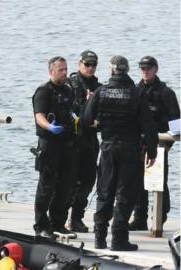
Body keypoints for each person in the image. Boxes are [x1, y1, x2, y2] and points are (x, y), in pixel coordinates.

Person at [82, 55, 158, 251]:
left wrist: (101, 124)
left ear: (112, 70)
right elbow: (149, 126)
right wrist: (152, 152)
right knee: (125, 194)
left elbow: (87, 118)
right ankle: (119, 239)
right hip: (130, 149)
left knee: (104, 192)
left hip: (107, 147)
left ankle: (99, 238)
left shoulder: (101, 91)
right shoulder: (136, 93)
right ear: (127, 70)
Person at [129, 56, 180, 230]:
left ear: (156, 69)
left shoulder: (166, 93)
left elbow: (176, 123)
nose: (145, 71)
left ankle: (160, 218)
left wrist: (165, 146)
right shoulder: (135, 90)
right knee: (137, 182)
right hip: (138, 144)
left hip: (159, 144)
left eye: (149, 68)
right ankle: (139, 218)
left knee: (160, 183)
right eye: (142, 68)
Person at [32, 56, 77, 239]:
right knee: (46, 186)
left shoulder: (67, 90)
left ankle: (58, 222)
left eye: (66, 69)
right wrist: (49, 126)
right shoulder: (44, 91)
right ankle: (41, 226)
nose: (65, 73)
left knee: (66, 186)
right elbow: (39, 115)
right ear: (51, 71)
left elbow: (70, 110)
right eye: (61, 70)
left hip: (67, 144)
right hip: (49, 145)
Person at [67, 50, 102, 233]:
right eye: (87, 64)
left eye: (93, 65)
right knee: (69, 180)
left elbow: (104, 112)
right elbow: (67, 109)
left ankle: (76, 217)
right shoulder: (70, 84)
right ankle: (60, 216)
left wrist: (98, 119)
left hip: (90, 140)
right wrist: (85, 108)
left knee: (88, 180)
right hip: (73, 140)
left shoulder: (100, 87)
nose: (90, 68)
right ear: (79, 63)